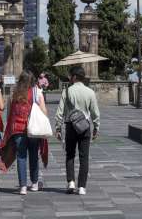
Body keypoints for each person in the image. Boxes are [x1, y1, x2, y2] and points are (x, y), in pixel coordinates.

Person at [0, 70, 50, 194]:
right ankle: (35, 183)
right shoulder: (37, 92)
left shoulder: (13, 93)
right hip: (32, 130)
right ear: (32, 81)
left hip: (17, 131)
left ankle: (22, 187)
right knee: (33, 156)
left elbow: (9, 114)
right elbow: (44, 112)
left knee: (21, 157)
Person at [54, 65, 99, 195]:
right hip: (85, 127)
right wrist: (96, 127)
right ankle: (82, 187)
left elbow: (60, 112)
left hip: (70, 126)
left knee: (70, 155)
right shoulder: (90, 92)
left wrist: (58, 128)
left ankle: (71, 182)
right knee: (84, 157)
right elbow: (95, 113)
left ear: (74, 77)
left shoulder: (67, 91)